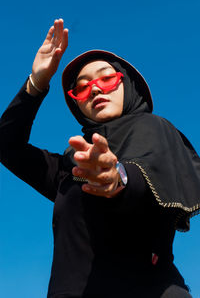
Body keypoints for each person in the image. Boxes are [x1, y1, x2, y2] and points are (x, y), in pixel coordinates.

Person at [0, 18, 199, 298]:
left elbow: (143, 173)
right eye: (81, 87)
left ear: (127, 85)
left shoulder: (154, 128)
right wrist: (37, 82)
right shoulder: (72, 168)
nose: (94, 89)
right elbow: (7, 146)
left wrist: (117, 177)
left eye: (106, 78)